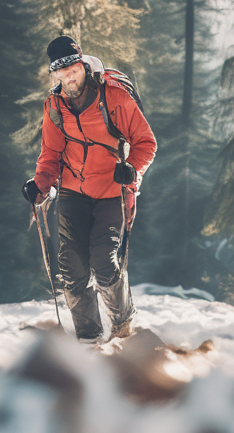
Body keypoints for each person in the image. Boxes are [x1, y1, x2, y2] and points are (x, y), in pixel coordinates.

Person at [24, 36, 156, 342]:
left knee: (104, 262)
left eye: (73, 68)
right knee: (72, 269)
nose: (69, 75)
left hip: (112, 192)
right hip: (73, 194)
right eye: (61, 71)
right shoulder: (55, 106)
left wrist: (131, 169)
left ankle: (122, 326)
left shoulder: (114, 97)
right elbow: (51, 154)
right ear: (53, 74)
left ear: (82, 65)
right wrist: (40, 186)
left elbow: (146, 142)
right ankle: (89, 338)